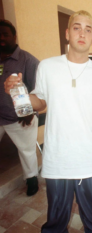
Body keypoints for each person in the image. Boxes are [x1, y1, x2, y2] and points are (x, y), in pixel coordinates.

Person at [4, 10, 92, 233]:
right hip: (57, 152)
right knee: (57, 206)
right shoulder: (48, 66)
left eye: (88, 29)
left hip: (86, 153)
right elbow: (40, 103)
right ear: (67, 33)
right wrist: (18, 92)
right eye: (77, 27)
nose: (82, 33)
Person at [0, 19, 40, 196]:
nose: (1, 38)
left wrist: (29, 113)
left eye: (5, 34)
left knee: (27, 151)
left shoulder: (28, 60)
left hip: (20, 117)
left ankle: (31, 180)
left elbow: (39, 91)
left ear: (14, 36)